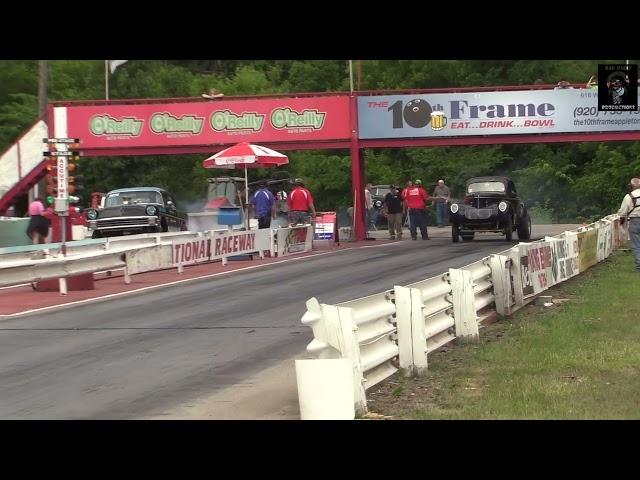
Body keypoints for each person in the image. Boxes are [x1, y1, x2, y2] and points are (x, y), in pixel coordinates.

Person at [618, 177, 640, 272]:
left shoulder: (628, 196)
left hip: (635, 221)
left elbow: (623, 212)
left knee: (636, 244)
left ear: (631, 186)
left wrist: (622, 219)